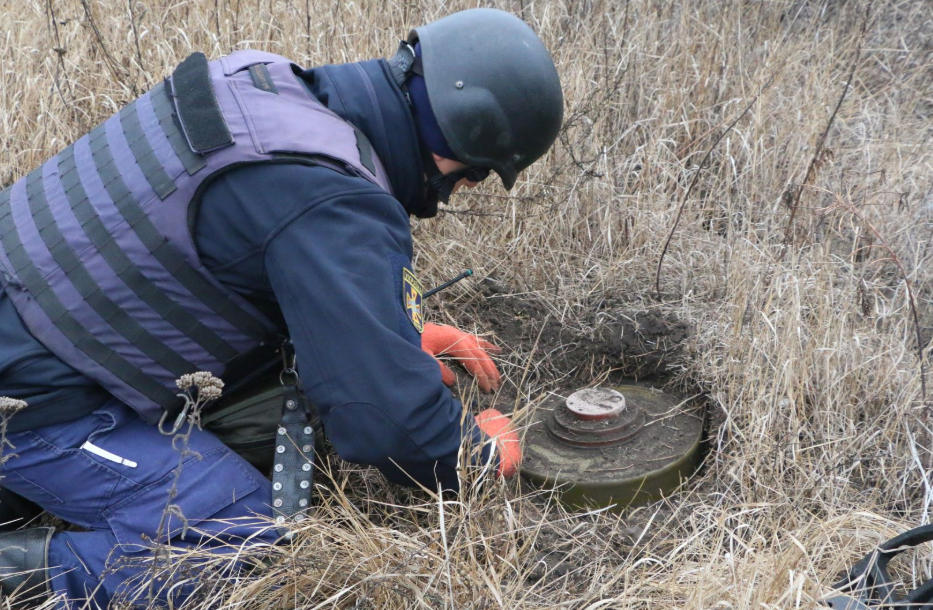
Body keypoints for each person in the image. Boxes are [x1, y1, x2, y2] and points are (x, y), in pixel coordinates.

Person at [0, 7, 563, 608]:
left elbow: (236, 257)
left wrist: (394, 331)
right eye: (473, 180)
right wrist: (471, 455)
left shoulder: (264, 82)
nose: (454, 196)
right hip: (28, 396)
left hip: (26, 316)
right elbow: (385, 421)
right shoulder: (334, 202)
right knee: (232, 541)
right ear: (463, 148)